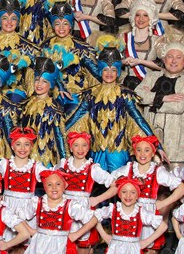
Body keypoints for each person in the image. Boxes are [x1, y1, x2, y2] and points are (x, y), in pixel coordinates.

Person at [64, 38, 154, 171]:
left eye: (113, 70)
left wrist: (156, 144)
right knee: (96, 176)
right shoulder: (91, 94)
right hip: (97, 147)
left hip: (117, 148)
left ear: (118, 72)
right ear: (100, 71)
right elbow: (76, 117)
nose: (109, 74)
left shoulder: (124, 94)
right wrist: (61, 133)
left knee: (118, 177)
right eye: (106, 70)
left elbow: (137, 118)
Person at [108, 135, 184, 254]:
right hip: (130, 213)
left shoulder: (158, 171)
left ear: (153, 153)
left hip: (148, 213)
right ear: (134, 152)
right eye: (139, 150)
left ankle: (154, 249)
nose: (142, 154)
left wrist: (163, 203)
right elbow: (111, 182)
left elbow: (182, 189)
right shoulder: (128, 168)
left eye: (147, 150)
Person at [19, 170, 97, 254]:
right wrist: (31, 230)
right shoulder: (37, 202)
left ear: (64, 186)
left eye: (58, 184)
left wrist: (76, 234)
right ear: (44, 187)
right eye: (49, 185)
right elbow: (19, 216)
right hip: (40, 245)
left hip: (60, 245)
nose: (54, 188)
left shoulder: (70, 205)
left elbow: (93, 219)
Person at [0, 128, 47, 253]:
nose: (22, 148)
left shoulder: (36, 167)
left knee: (28, 248)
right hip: (9, 205)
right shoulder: (5, 164)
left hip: (27, 208)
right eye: (18, 144)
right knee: (8, 251)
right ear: (12, 146)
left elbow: (52, 178)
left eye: (26, 144)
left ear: (31, 147)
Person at [134, 39, 184, 164]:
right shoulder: (151, 76)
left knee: (175, 173)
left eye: (178, 57)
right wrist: (163, 98)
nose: (174, 61)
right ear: (164, 59)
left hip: (175, 141)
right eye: (170, 56)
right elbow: (138, 95)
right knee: (149, 172)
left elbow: (179, 106)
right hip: (149, 139)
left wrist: (151, 99)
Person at [94, 176, 167, 254]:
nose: (128, 196)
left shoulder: (141, 212)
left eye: (133, 192)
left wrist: (146, 241)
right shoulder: (113, 209)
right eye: (124, 192)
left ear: (138, 195)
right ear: (119, 194)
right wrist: (104, 235)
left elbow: (163, 226)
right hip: (115, 250)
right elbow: (95, 216)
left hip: (132, 251)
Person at [55, 132, 115, 254]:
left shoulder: (92, 168)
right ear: (71, 148)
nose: (80, 149)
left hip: (83, 208)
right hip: (65, 207)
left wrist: (98, 199)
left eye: (84, 145)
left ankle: (89, 249)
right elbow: (50, 181)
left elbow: (115, 186)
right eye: (76, 145)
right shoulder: (63, 164)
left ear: (88, 148)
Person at [21, 56, 69, 166]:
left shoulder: (53, 108)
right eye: (37, 80)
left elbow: (59, 136)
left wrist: (63, 162)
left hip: (45, 157)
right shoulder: (28, 104)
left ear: (50, 85)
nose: (39, 84)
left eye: (44, 81)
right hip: (27, 155)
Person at [120, 0, 165, 91]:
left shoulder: (158, 40)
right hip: (125, 84)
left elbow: (164, 65)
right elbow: (112, 61)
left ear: (151, 18)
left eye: (145, 15)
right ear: (133, 17)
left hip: (149, 85)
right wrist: (124, 61)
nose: (141, 19)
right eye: (137, 15)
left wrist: (140, 61)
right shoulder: (123, 37)